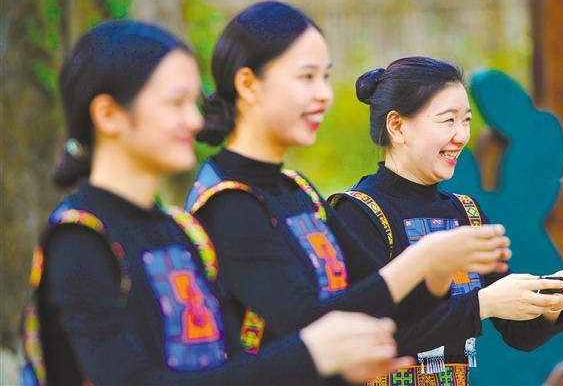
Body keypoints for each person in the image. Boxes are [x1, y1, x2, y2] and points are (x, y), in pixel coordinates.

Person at [20, 20, 410, 386]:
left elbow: (232, 369)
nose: (195, 121)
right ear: (108, 115)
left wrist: (337, 369)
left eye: (193, 102)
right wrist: (312, 354)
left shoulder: (183, 231)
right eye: (175, 103)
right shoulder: (79, 240)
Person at [187, 0, 511, 371]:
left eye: (325, 77)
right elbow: (310, 325)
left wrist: (438, 270)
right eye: (306, 77)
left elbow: (379, 303)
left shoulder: (298, 189)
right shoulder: (228, 201)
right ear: (248, 84)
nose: (324, 94)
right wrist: (427, 259)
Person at [329, 56, 563, 385]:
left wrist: (550, 304)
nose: (461, 136)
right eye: (447, 121)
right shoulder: (357, 212)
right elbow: (371, 334)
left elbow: (518, 334)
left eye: (466, 121)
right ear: (397, 126)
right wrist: (481, 305)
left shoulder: (467, 212)